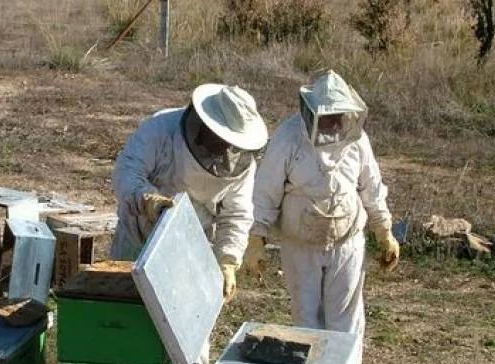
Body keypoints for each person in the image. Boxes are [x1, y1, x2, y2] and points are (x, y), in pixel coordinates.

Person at [243, 70, 399, 337]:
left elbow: (371, 186)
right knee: (306, 323)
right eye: (328, 118)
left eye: (339, 117)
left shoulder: (357, 139)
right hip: (300, 247)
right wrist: (256, 237)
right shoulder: (288, 137)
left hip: (347, 244)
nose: (334, 124)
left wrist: (383, 230)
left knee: (346, 324)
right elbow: (265, 191)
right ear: (311, 113)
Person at [110, 83, 269, 303]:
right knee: (124, 314)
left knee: (178, 314)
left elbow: (236, 214)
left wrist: (228, 260)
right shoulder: (160, 128)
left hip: (192, 246)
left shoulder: (241, 162)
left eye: (231, 144)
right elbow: (127, 171)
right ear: (204, 125)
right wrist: (148, 199)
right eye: (221, 140)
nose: (225, 150)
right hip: (137, 234)